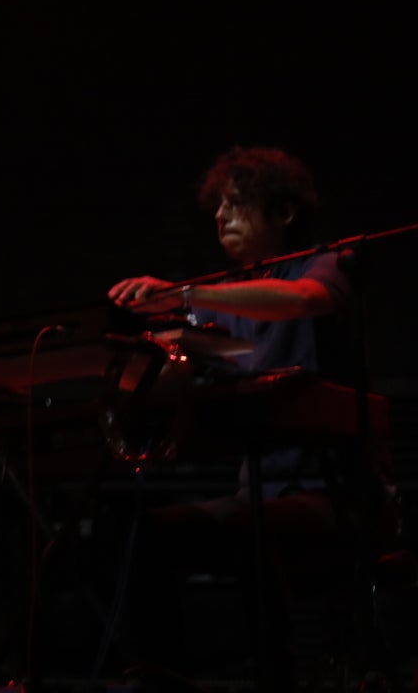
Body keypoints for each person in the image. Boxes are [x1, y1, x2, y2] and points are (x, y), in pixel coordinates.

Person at [106, 147, 390, 676]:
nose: (219, 217)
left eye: (235, 204)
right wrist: (123, 367)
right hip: (257, 494)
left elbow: (304, 299)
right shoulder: (223, 298)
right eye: (217, 207)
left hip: (334, 496)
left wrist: (186, 295)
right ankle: (162, 680)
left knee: (252, 535)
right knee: (143, 536)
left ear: (283, 213)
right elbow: (177, 376)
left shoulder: (325, 263)